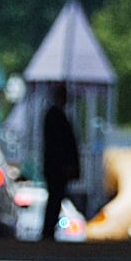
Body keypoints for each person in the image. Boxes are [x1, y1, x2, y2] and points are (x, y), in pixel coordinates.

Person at [35, 91, 83, 240]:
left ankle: (49, 229)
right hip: (57, 167)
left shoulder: (56, 115)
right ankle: (48, 230)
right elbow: (59, 144)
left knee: (56, 199)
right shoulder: (55, 116)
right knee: (55, 198)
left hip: (56, 167)